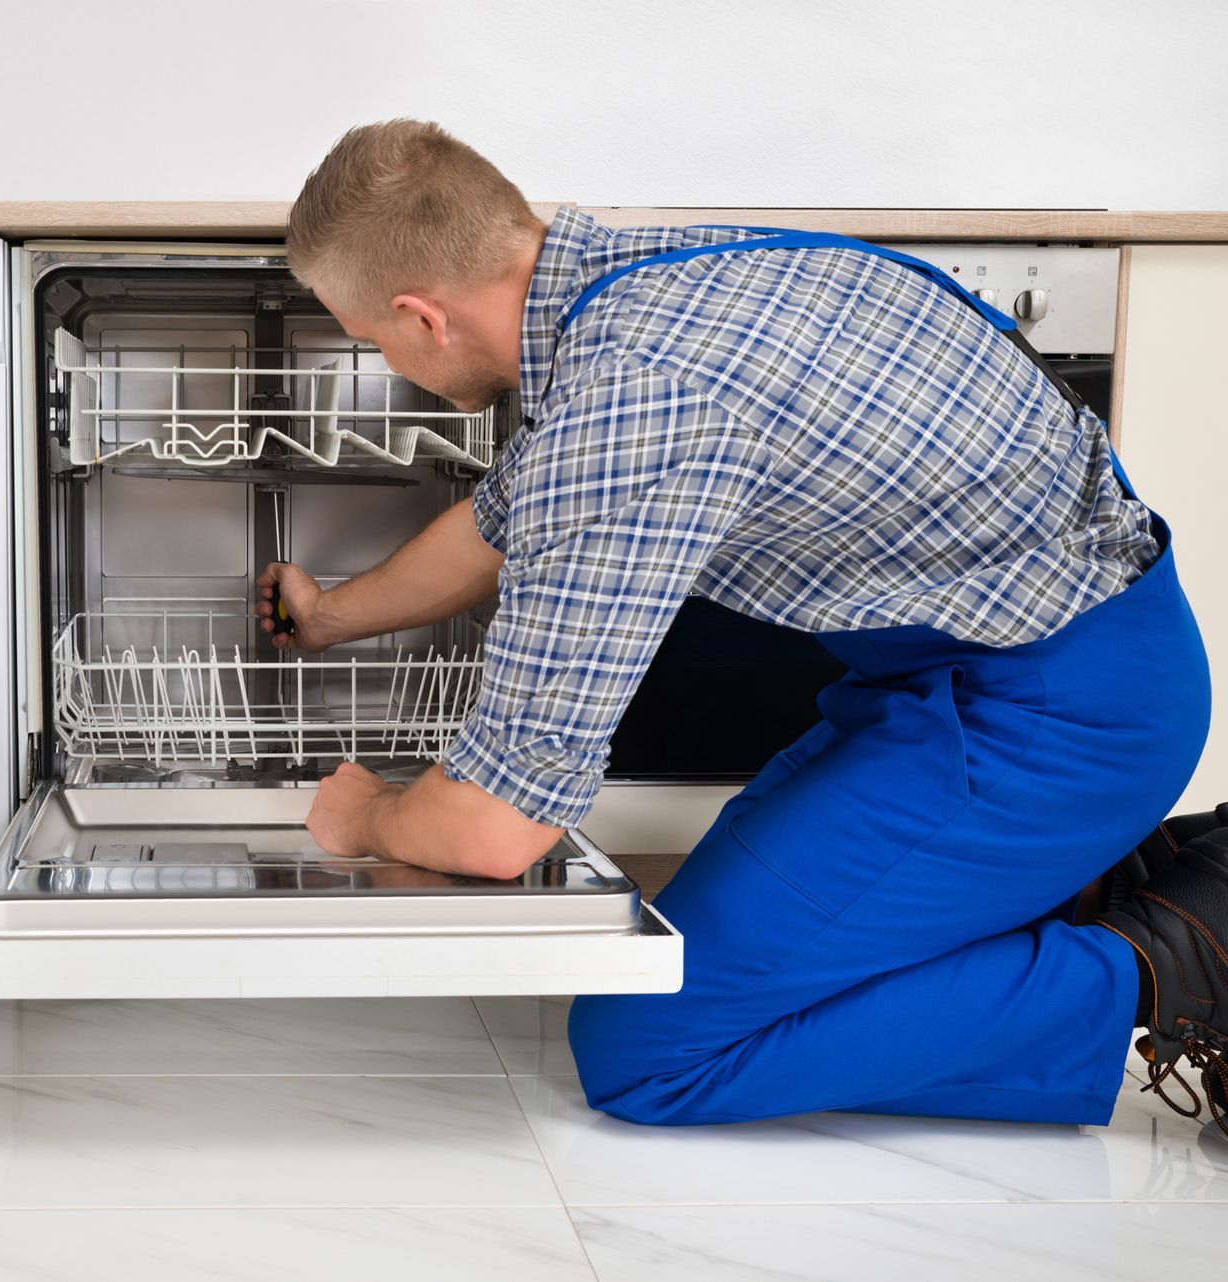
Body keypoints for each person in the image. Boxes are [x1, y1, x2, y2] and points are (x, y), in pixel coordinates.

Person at [257, 119, 1228, 1133]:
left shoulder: (629, 406)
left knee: (653, 1052)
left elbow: (497, 831)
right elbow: (501, 521)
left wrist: (362, 814)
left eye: (371, 339)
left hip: (1059, 718)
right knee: (736, 955)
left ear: (420, 318)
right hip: (978, 677)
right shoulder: (641, 280)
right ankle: (1111, 879)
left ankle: (1180, 956)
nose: (389, 359)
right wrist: (330, 617)